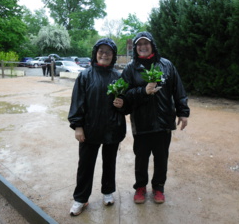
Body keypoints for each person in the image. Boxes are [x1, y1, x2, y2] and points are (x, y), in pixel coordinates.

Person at [121, 31, 190, 204]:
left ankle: (158, 187)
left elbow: (178, 90)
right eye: (139, 44)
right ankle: (140, 187)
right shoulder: (131, 68)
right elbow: (125, 95)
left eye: (146, 43)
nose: (142, 47)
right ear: (136, 48)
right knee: (141, 157)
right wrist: (143, 91)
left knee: (161, 158)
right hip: (142, 122)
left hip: (163, 121)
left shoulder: (166, 65)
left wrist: (183, 112)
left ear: (152, 45)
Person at [68, 38, 126, 216]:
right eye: (101, 51)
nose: (104, 55)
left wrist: (122, 103)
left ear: (113, 56)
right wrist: (78, 126)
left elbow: (128, 103)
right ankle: (81, 198)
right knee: (85, 165)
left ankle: (107, 191)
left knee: (110, 163)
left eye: (108, 52)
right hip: (89, 129)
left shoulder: (118, 77)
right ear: (95, 53)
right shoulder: (85, 75)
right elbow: (77, 102)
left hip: (112, 128)